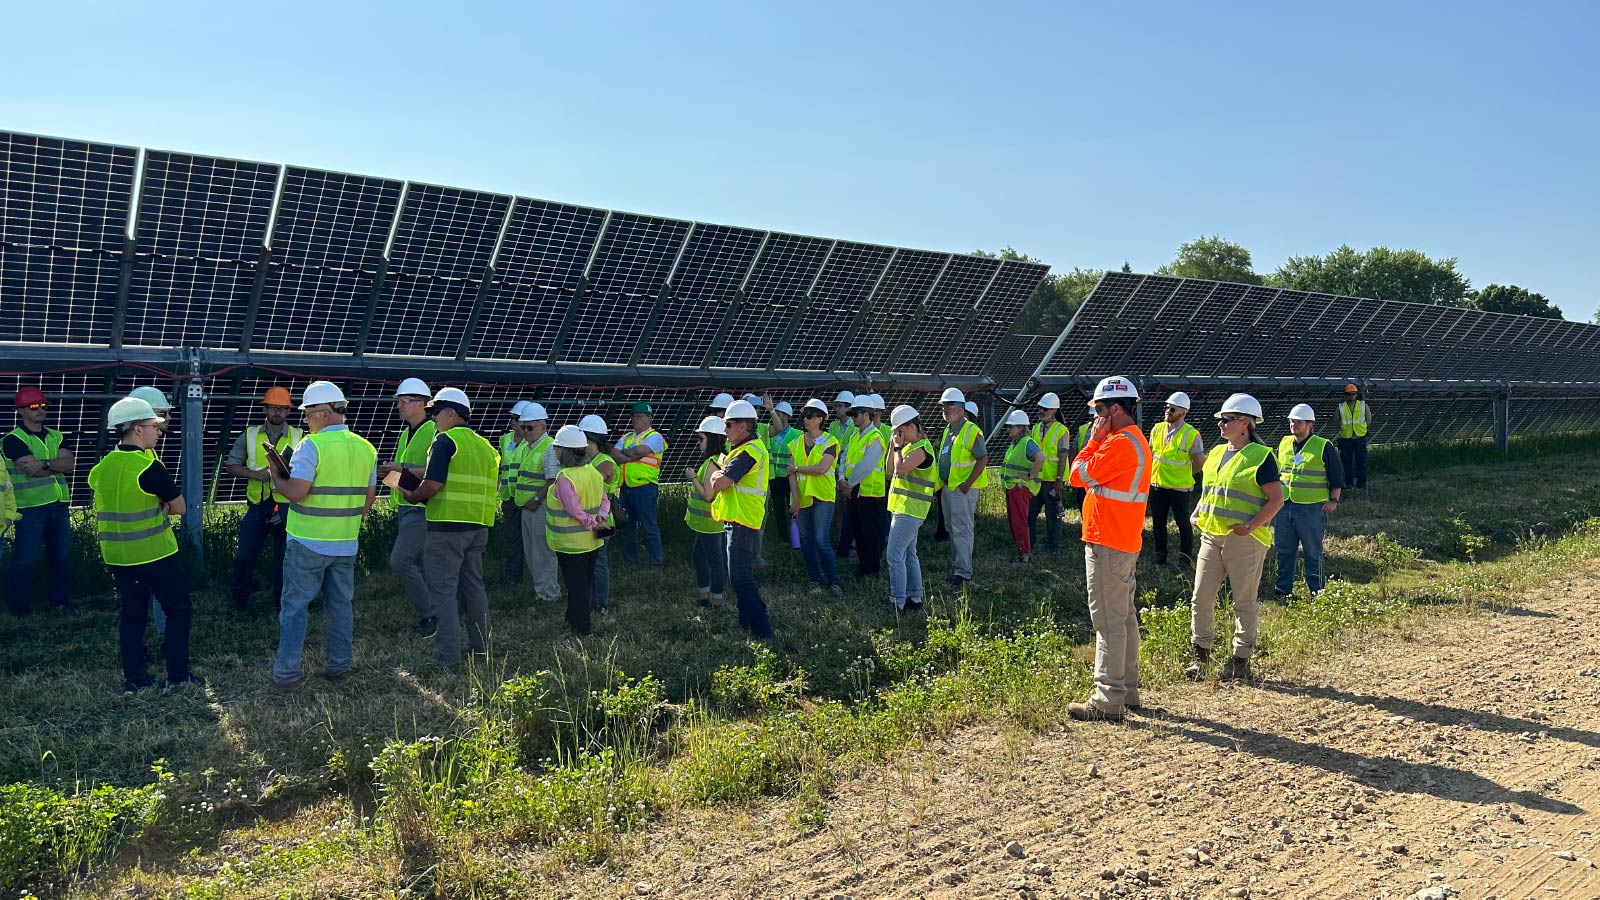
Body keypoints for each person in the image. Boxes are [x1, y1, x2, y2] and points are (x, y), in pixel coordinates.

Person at [269, 382, 378, 689]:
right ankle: (339, 665)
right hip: (345, 543)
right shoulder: (366, 448)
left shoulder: (310, 446)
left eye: (308, 415)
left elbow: (296, 493)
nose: (304, 421)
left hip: (306, 541)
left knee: (294, 607)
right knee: (341, 606)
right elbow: (367, 503)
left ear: (325, 413)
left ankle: (287, 673)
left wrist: (275, 474)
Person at [89, 397, 199, 695]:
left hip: (117, 557)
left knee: (132, 615)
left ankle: (135, 679)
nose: (159, 431)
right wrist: (162, 508)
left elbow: (101, 490)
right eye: (154, 426)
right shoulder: (149, 466)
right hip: (155, 554)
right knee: (178, 610)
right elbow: (179, 508)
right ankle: (178, 676)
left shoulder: (103, 466)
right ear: (137, 429)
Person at [1066, 376, 1153, 723]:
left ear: (1116, 409)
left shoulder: (1118, 444)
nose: (1095, 417)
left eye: (1099, 410)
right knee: (1124, 617)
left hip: (1109, 541)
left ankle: (1108, 698)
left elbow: (1076, 475)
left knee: (1108, 620)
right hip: (1120, 539)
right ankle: (1127, 689)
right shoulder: (1130, 441)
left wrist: (1092, 441)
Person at [1185, 393, 1286, 684]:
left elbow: (1276, 500)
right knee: (1200, 597)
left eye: (1227, 419)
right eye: (1220, 419)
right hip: (1211, 535)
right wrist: (1197, 511)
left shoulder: (1261, 456)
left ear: (1245, 423)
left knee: (1243, 601)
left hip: (1245, 539)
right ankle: (1200, 656)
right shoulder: (1216, 453)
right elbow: (1210, 490)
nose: (1221, 424)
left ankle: (1240, 660)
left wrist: (1251, 526)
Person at [401, 388, 498, 663]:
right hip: (478, 527)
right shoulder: (486, 447)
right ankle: (482, 648)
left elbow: (432, 484)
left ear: (451, 413)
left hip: (446, 528)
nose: (433, 419)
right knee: (474, 587)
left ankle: (449, 655)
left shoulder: (444, 441)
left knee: (443, 591)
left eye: (435, 413)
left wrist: (412, 495)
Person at [225, 387, 301, 612]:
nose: (277, 412)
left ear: (288, 412)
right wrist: (253, 474)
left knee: (285, 558)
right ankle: (239, 600)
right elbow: (231, 465)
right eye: (273, 408)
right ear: (265, 409)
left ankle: (282, 603)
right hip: (257, 506)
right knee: (243, 557)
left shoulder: (300, 436)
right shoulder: (249, 435)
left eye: (282, 409)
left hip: (286, 505)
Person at [5, 386, 75, 614]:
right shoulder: (12, 440)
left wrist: (44, 464)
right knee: (25, 559)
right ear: (21, 411)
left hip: (59, 505)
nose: (40, 410)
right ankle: (21, 609)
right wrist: (55, 465)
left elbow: (69, 464)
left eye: (43, 406)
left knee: (61, 557)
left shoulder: (57, 435)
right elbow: (29, 469)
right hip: (30, 507)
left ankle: (60, 603)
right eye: (34, 406)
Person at [378, 378, 438, 637]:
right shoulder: (406, 432)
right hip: (406, 505)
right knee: (421, 563)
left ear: (422, 403)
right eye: (398, 401)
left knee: (400, 560)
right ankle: (441, 610)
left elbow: (437, 470)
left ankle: (430, 614)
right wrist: (392, 470)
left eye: (405, 401)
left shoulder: (434, 431)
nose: (399, 406)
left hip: (423, 507)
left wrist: (400, 468)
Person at [708, 399, 772, 639]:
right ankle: (747, 621)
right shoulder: (741, 450)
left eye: (729, 425)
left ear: (744, 426)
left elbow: (721, 482)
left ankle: (762, 630)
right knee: (738, 575)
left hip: (743, 520)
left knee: (740, 576)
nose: (725, 431)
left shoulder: (749, 452)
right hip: (738, 519)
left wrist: (714, 473)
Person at [1273, 404, 1344, 598]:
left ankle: (1317, 590)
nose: (1293, 424)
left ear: (1310, 424)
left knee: (1313, 552)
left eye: (1298, 421)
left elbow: (1336, 475)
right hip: (1285, 505)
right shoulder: (1285, 443)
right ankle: (1283, 589)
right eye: (1291, 421)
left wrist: (1334, 500)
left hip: (1312, 508)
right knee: (1284, 550)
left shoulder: (1323, 445)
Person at [548, 425, 610, 637]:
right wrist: (600, 518)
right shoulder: (592, 472)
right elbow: (604, 499)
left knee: (576, 588)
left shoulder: (566, 477)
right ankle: (572, 618)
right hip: (592, 542)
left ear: (563, 451)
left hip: (570, 545)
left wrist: (590, 522)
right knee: (583, 583)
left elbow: (574, 509)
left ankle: (581, 629)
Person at [128, 387, 176, 640]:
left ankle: (157, 639)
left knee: (135, 604)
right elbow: (175, 505)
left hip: (134, 544)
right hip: (148, 544)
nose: (166, 419)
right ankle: (164, 639)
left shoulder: (143, 452)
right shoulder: (142, 459)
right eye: (160, 414)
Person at [787, 399, 842, 596]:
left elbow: (822, 468)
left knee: (820, 539)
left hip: (823, 496)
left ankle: (834, 581)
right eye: (804, 415)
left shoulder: (831, 441)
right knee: (806, 540)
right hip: (803, 497)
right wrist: (795, 499)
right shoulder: (794, 443)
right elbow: (790, 473)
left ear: (820, 419)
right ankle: (814, 580)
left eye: (810, 415)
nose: (806, 419)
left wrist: (798, 468)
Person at [886, 404, 936, 612]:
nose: (899, 435)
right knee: (909, 553)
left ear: (911, 426)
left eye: (900, 431)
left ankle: (897, 601)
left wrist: (898, 448)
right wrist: (893, 446)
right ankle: (915, 597)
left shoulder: (921, 449)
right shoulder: (907, 448)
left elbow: (902, 469)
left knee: (894, 555)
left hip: (911, 511)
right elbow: (889, 470)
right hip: (904, 508)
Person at [1147, 392, 1206, 566]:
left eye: (1172, 409)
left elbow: (1199, 462)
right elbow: (1152, 454)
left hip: (1179, 487)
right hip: (1157, 484)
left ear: (1183, 412)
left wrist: (1185, 476)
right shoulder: (1157, 429)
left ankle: (1185, 558)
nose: (1168, 411)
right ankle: (1160, 554)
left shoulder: (1191, 434)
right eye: (1166, 407)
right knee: (1158, 522)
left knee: (1182, 522)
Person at [937, 387, 988, 587]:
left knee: (962, 530)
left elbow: (982, 458)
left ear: (960, 408)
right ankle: (958, 566)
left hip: (961, 489)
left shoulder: (971, 431)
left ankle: (963, 573)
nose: (944, 410)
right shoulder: (948, 431)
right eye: (942, 407)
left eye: (948, 406)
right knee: (953, 528)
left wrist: (967, 484)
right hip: (949, 488)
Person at [512, 403, 559, 605]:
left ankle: (548, 595)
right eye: (523, 427)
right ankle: (541, 591)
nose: (525, 431)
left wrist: (537, 499)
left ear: (543, 426)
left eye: (529, 427)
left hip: (540, 508)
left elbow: (553, 480)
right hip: (528, 508)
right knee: (532, 553)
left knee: (542, 554)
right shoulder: (528, 447)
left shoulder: (548, 447)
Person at [614, 402, 667, 570]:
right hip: (626, 487)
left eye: (639, 416)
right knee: (626, 525)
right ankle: (631, 560)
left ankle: (656, 563)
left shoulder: (656, 437)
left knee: (649, 526)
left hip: (645, 488)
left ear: (649, 418)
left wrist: (629, 453)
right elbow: (614, 454)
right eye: (633, 416)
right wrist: (632, 455)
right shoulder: (626, 436)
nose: (635, 419)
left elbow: (635, 452)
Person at [684, 416, 729, 607]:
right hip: (706, 524)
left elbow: (708, 495)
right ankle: (705, 597)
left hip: (709, 524)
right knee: (701, 557)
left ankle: (714, 600)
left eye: (701, 439)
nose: (698, 443)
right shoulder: (718, 459)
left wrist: (693, 478)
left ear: (712, 439)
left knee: (714, 561)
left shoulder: (713, 462)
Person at [841, 397, 888, 577]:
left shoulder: (876, 437)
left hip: (870, 494)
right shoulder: (855, 435)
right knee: (859, 532)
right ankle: (863, 565)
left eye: (855, 414)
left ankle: (872, 568)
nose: (852, 417)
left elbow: (867, 465)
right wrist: (842, 480)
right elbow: (844, 458)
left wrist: (848, 484)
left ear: (866, 414)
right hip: (855, 492)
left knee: (871, 533)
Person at [581, 414, 619, 612]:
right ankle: (591, 600)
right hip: (588, 520)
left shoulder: (604, 461)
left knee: (599, 562)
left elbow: (599, 479)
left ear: (590, 439)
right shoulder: (587, 459)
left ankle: (601, 603)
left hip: (604, 521)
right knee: (589, 562)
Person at [1028, 392, 1070, 555]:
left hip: (1052, 480)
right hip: (1037, 479)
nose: (1041, 411)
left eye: (1045, 409)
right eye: (1040, 408)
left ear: (1054, 410)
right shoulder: (1036, 428)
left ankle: (1052, 547)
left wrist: (1059, 480)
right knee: (1030, 513)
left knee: (1053, 516)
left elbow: (1063, 455)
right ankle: (1029, 544)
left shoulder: (1061, 430)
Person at [1000, 409, 1044, 562]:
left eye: (1011, 426)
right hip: (1013, 487)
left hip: (1020, 488)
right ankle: (1021, 550)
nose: (1009, 429)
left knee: (1019, 521)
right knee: (1015, 521)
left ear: (1020, 427)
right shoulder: (1016, 444)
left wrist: (1029, 476)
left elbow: (1040, 458)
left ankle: (1024, 553)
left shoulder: (1027, 443)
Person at [496, 401, 531, 581]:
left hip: (528, 498)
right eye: (512, 418)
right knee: (511, 537)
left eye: (516, 418)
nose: (513, 422)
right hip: (509, 497)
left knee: (531, 538)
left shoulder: (534, 442)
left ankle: (531, 573)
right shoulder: (505, 439)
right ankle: (513, 574)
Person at [763, 397, 799, 550]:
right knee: (778, 509)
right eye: (776, 412)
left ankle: (796, 537)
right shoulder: (770, 434)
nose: (778, 415)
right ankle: (783, 538)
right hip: (775, 477)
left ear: (787, 416)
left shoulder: (797, 434)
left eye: (780, 413)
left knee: (793, 508)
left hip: (791, 477)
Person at [829, 390, 858, 559]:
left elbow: (846, 451)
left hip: (848, 473)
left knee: (850, 510)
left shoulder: (855, 426)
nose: (837, 409)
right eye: (836, 406)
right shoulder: (833, 425)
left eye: (840, 406)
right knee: (838, 510)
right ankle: (840, 539)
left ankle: (852, 541)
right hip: (834, 472)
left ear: (849, 408)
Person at [1338, 384, 1371, 489]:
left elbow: (1368, 419)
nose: (1350, 396)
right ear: (1345, 395)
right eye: (1348, 394)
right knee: (1346, 462)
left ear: (1356, 394)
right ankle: (1348, 483)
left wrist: (1361, 429)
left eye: (1352, 394)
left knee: (1361, 461)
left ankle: (1361, 483)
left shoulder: (1363, 405)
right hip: (1346, 438)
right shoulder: (1341, 407)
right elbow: (1336, 420)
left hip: (1360, 437)